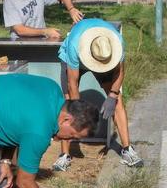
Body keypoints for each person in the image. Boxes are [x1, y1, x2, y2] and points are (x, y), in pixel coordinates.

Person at [54, 18, 143, 171]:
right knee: (67, 102)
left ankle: (127, 149)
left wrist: (113, 95)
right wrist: (78, 114)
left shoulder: (116, 43)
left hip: (103, 57)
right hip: (75, 59)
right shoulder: (75, 46)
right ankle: (64, 155)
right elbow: (72, 84)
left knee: (118, 101)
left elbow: (120, 72)